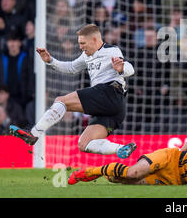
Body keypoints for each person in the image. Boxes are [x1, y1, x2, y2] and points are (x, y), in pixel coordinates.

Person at [9, 24, 137, 160]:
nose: (80, 47)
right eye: (79, 43)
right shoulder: (86, 55)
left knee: (61, 101)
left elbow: (130, 69)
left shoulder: (111, 51)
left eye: (83, 43)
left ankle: (33, 134)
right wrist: (50, 61)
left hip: (110, 93)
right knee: (83, 144)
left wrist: (121, 68)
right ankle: (120, 149)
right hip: (114, 110)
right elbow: (71, 67)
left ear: (94, 39)